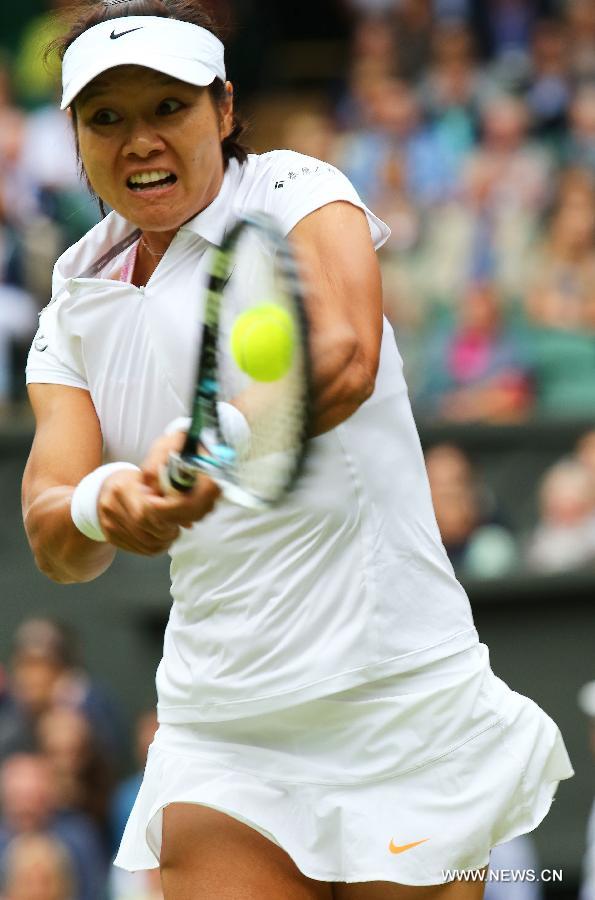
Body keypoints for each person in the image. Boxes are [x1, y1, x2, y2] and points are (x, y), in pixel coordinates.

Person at [21, 1, 573, 898]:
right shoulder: (74, 296)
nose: (139, 142)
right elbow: (54, 530)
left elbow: (345, 354)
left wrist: (208, 448)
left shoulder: (293, 189)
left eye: (169, 109)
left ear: (225, 110)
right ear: (76, 138)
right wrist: (106, 503)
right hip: (223, 726)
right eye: (106, 119)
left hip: (397, 696)